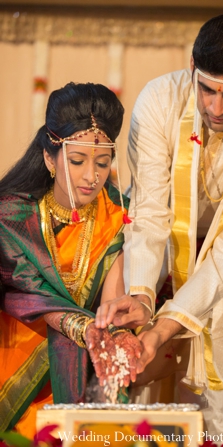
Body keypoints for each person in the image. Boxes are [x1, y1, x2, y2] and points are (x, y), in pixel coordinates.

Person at [97, 13, 223, 444]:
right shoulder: (159, 101)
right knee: (141, 387)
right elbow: (150, 210)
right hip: (156, 251)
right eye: (206, 89)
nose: (215, 107)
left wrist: (164, 327)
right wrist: (144, 298)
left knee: (220, 394)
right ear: (192, 66)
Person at [0, 82, 142, 437]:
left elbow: (112, 301)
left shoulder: (114, 217)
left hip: (77, 370)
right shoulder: (12, 217)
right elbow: (26, 290)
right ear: (50, 157)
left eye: (103, 162)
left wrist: (116, 333)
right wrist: (81, 326)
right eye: (77, 161)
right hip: (15, 363)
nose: (91, 176)